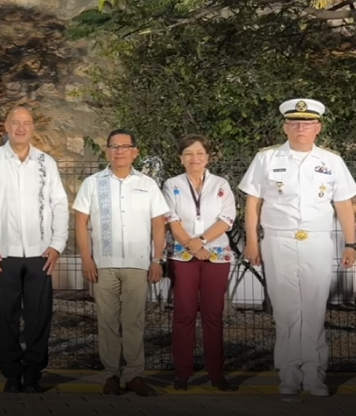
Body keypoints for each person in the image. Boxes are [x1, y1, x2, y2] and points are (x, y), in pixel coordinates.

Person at [239, 98, 356, 397]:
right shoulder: (266, 158)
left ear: (318, 127)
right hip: (278, 240)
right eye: (294, 123)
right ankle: (289, 374)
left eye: (306, 123)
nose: (300, 127)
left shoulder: (331, 161)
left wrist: (352, 243)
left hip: (316, 241)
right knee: (286, 309)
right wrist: (252, 241)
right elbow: (253, 203)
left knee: (314, 309)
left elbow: (344, 205)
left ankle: (314, 374)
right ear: (284, 127)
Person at [0, 105, 69, 393]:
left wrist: (57, 245)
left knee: (39, 316)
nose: (21, 127)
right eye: (16, 122)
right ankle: (11, 374)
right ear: (6, 125)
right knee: (5, 316)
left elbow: (59, 205)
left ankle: (33, 373)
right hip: (3, 254)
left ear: (33, 127)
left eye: (26, 123)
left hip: (41, 254)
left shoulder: (46, 163)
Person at [72, 129, 168, 397]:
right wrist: (87, 258)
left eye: (125, 146)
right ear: (107, 151)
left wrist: (157, 259)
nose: (119, 151)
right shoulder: (92, 183)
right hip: (103, 263)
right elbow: (81, 221)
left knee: (134, 321)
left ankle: (134, 375)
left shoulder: (147, 184)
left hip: (138, 264)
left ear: (135, 152)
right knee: (107, 321)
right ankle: (111, 375)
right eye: (114, 146)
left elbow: (158, 223)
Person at [161, 135, 236, 391]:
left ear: (208, 157)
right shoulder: (172, 184)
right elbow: (170, 218)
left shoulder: (221, 184)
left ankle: (216, 374)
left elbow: (227, 218)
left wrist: (202, 242)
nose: (195, 158)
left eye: (200, 153)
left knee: (213, 315)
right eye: (189, 154)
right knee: (184, 314)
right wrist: (191, 245)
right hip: (183, 255)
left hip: (215, 255)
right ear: (181, 158)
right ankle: (182, 373)